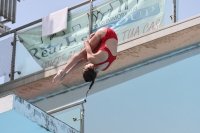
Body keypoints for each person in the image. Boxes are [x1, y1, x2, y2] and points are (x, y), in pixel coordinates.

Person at [52, 27, 118, 90]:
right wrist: (88, 41)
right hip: (106, 32)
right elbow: (86, 43)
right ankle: (62, 71)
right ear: (89, 67)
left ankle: (64, 76)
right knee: (82, 55)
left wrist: (66, 76)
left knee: (85, 58)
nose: (85, 65)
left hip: (112, 37)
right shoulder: (93, 59)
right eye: (84, 67)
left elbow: (83, 61)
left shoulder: (104, 68)